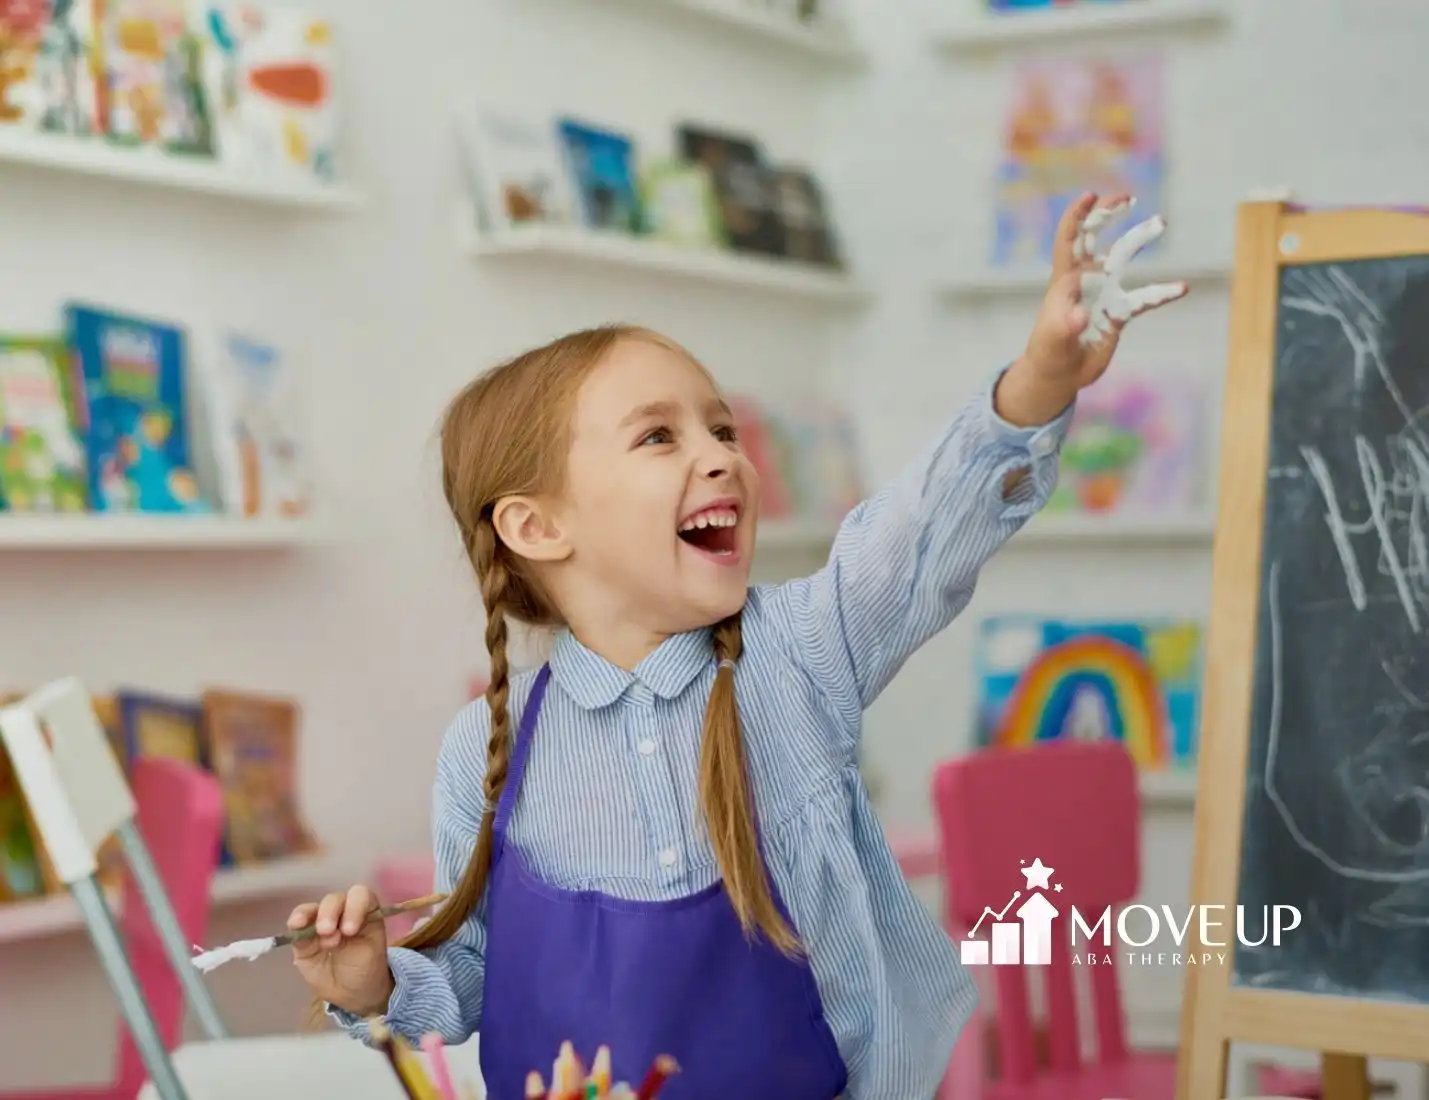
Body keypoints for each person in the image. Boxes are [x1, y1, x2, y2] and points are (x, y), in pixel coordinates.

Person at [287, 192, 1186, 1100]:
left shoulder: (799, 652)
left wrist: (1039, 377)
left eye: (720, 429)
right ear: (535, 526)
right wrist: (377, 984)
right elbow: (470, 974)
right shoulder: (483, 746)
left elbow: (918, 532)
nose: (720, 456)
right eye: (657, 436)